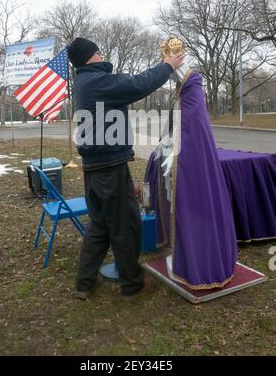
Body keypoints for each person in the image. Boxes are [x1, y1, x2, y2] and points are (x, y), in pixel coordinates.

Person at [67, 37, 184, 299]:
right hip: (109, 168)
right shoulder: (96, 80)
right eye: (98, 53)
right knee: (125, 226)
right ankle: (132, 284)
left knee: (100, 226)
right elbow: (136, 85)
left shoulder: (85, 81)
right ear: (89, 58)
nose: (101, 56)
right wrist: (167, 66)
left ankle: (83, 284)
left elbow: (130, 84)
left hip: (95, 168)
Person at [145, 63, 237, 289]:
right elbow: (174, 127)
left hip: (189, 165)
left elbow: (190, 129)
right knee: (181, 207)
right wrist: (166, 145)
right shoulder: (179, 92)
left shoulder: (192, 89)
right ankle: (184, 255)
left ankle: (199, 262)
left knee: (193, 207)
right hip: (176, 160)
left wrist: (175, 152)